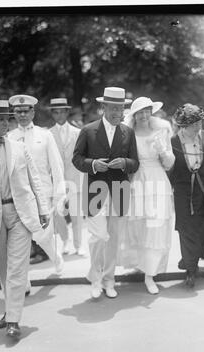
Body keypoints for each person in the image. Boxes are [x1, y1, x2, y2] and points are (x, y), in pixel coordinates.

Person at [0, 100, 49, 338]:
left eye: (8, 118)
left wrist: (43, 208)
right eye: (0, 118)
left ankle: (13, 321)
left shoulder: (18, 147)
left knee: (17, 269)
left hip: (20, 213)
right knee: (3, 269)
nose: (7, 122)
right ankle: (10, 311)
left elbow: (34, 178)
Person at [72, 87, 139, 299]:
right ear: (104, 108)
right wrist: (92, 164)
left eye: (121, 108)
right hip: (95, 191)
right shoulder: (88, 130)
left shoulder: (128, 132)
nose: (118, 113)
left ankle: (109, 280)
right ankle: (95, 278)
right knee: (98, 236)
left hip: (120, 190)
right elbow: (76, 159)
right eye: (113, 108)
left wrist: (125, 163)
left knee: (114, 238)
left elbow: (135, 163)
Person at [8, 94, 66, 293]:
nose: (22, 114)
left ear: (33, 112)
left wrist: (60, 194)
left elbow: (56, 166)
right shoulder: (9, 137)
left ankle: (56, 257)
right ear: (13, 114)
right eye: (18, 111)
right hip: (21, 196)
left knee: (42, 237)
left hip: (44, 196)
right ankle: (24, 283)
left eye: (26, 111)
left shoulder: (45, 135)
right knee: (21, 239)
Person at [119, 97, 175, 294]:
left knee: (156, 227)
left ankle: (150, 274)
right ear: (134, 115)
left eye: (147, 111)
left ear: (152, 111)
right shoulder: (127, 133)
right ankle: (139, 263)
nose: (143, 115)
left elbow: (169, 164)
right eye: (139, 112)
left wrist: (162, 150)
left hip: (158, 180)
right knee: (138, 226)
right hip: (137, 182)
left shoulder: (161, 130)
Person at [170, 104, 204, 287]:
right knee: (186, 229)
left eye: (199, 123)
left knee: (203, 227)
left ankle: (191, 260)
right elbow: (169, 169)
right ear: (183, 126)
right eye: (193, 124)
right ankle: (190, 269)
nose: (198, 127)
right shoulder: (173, 142)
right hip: (182, 192)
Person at [49, 98, 85, 256]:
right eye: (56, 112)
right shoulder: (47, 134)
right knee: (58, 215)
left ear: (67, 112)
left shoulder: (78, 132)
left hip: (75, 178)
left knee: (77, 215)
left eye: (62, 111)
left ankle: (78, 245)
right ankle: (65, 242)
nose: (59, 115)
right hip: (56, 181)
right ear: (52, 114)